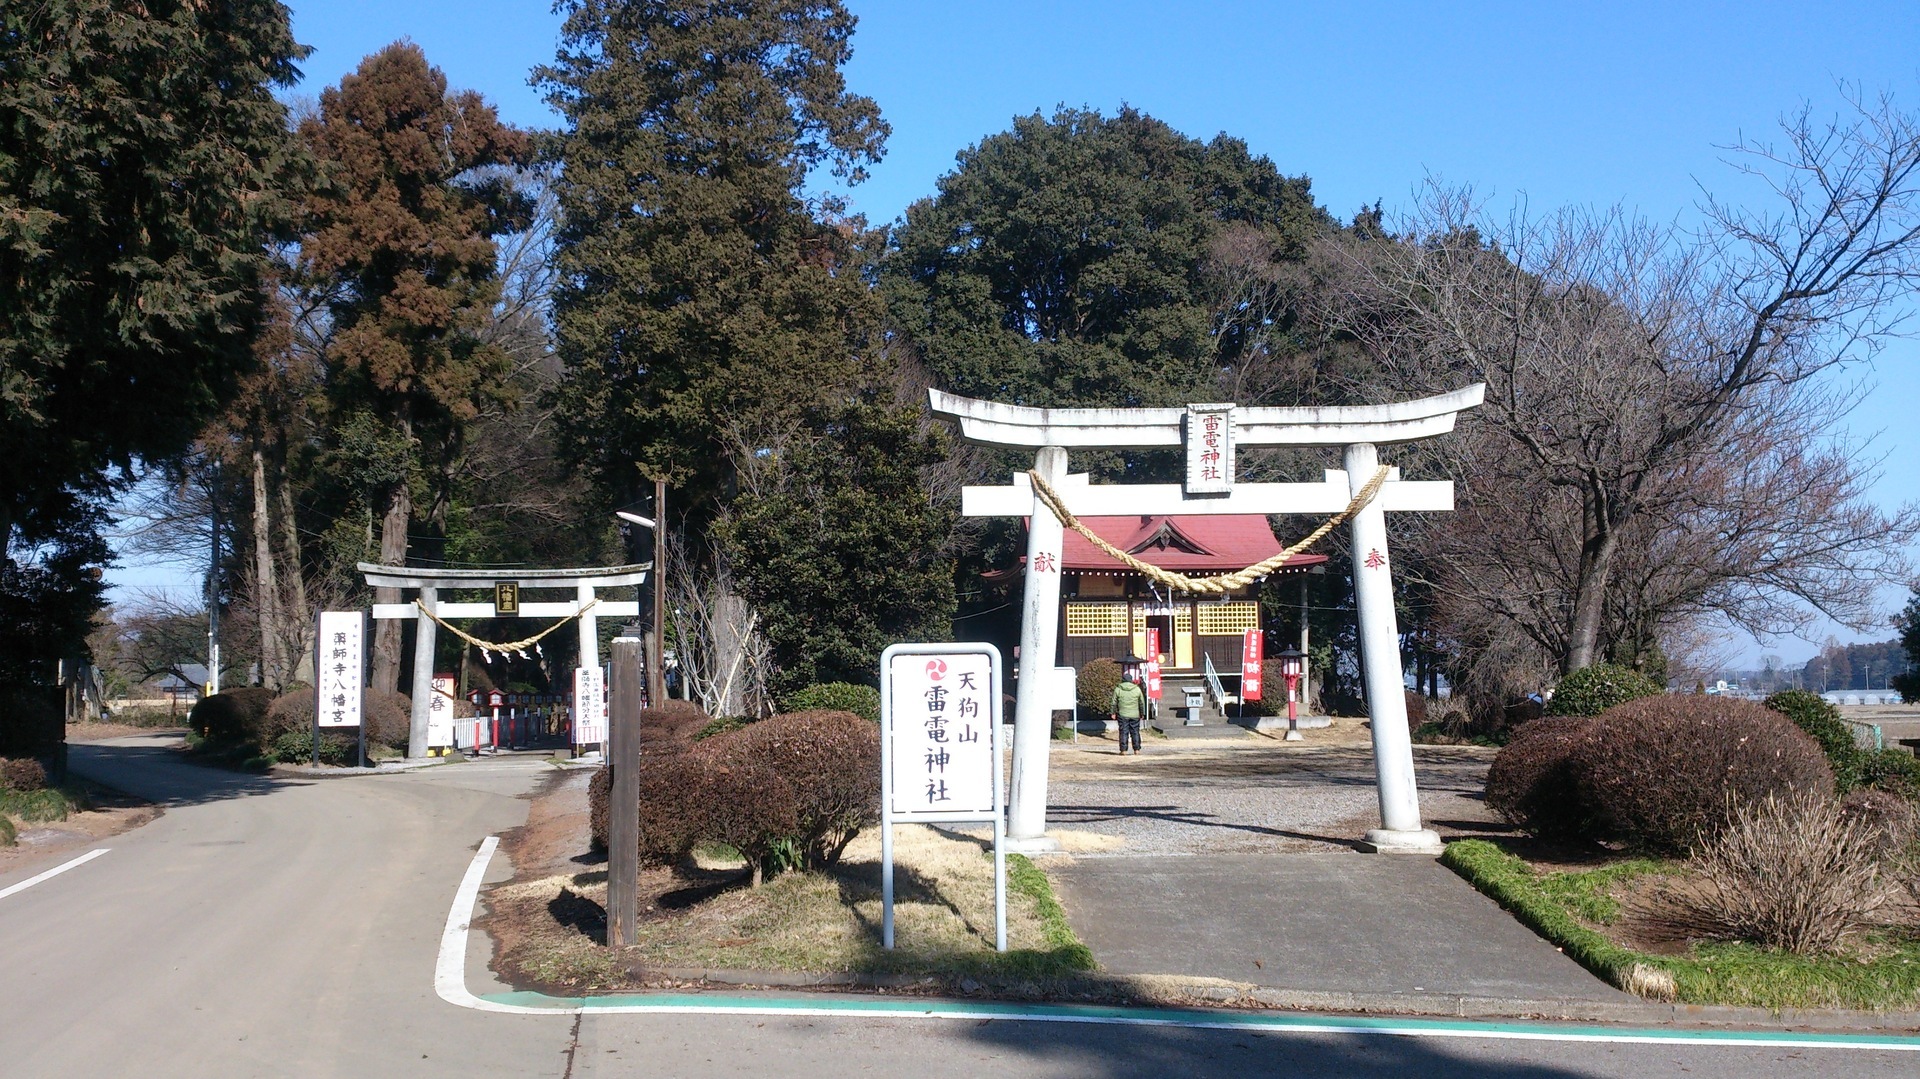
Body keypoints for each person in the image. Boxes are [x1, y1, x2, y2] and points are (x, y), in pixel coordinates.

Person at [1110, 670, 1146, 755]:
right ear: (1131, 680)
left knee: (1123, 732)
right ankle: (1137, 750)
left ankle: (1123, 750)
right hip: (1135, 714)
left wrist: (1113, 713)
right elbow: (1141, 702)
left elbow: (1113, 702)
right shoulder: (1137, 689)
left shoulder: (1118, 689)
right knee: (1135, 732)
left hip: (1123, 714)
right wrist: (1142, 713)